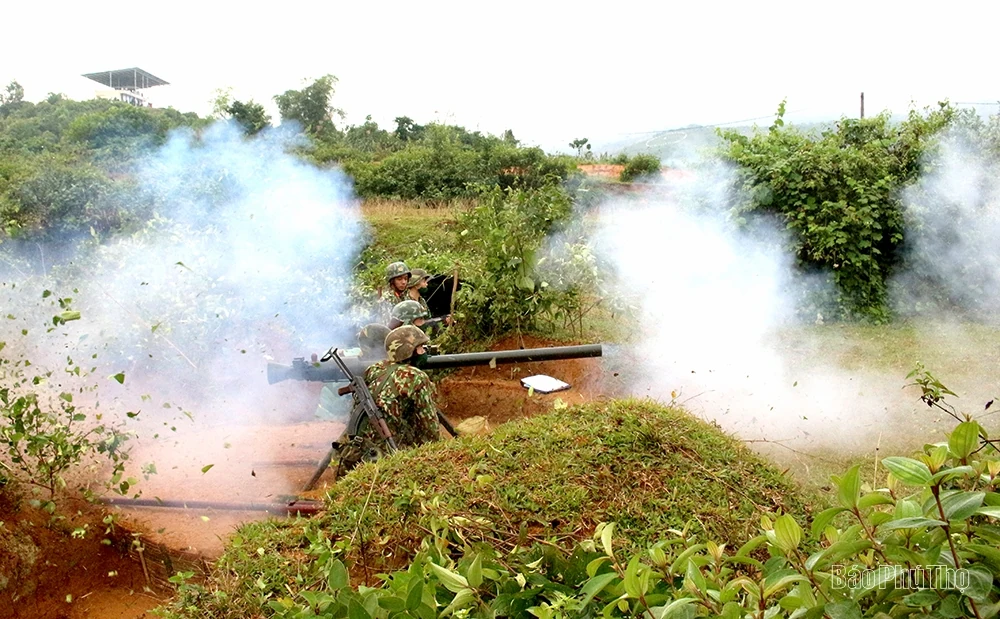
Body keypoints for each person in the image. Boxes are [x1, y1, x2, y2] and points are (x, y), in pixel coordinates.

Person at [362, 325, 441, 449]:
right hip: (391, 447)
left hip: (362, 444)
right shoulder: (416, 377)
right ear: (409, 351)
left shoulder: (374, 369)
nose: (424, 352)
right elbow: (429, 427)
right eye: (420, 348)